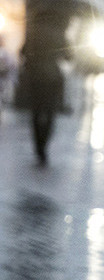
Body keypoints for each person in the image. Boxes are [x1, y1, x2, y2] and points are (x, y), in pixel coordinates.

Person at [18, 5, 71, 165]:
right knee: (50, 111)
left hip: (35, 75)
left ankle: (38, 145)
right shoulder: (59, 32)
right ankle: (44, 145)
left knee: (36, 111)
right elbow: (68, 55)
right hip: (52, 75)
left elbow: (23, 51)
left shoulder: (34, 30)